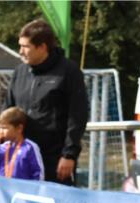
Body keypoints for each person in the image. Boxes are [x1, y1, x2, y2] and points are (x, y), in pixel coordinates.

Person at [6, 18, 88, 186]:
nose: (20, 51)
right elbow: (8, 111)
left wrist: (69, 155)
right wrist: (1, 142)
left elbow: (77, 117)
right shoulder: (19, 72)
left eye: (26, 47)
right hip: (21, 156)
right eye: (20, 45)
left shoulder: (69, 72)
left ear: (42, 47)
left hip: (54, 159)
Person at [0, 107, 44, 180]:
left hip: (22, 191)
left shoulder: (30, 147)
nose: (1, 132)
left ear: (19, 128)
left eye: (5, 128)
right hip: (1, 190)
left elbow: (38, 174)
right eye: (0, 128)